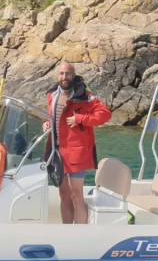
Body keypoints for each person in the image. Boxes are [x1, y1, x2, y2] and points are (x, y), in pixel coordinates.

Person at [43, 61, 111, 224]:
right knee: (63, 194)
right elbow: (53, 116)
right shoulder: (52, 95)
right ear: (57, 75)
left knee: (76, 194)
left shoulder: (85, 97)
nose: (64, 77)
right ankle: (67, 231)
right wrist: (46, 123)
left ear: (73, 75)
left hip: (77, 153)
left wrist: (80, 119)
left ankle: (80, 234)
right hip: (57, 151)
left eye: (67, 73)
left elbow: (105, 115)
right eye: (61, 73)